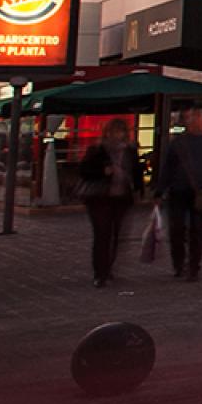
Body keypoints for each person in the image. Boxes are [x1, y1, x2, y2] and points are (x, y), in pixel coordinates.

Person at [158, 107, 202, 281]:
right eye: (190, 119)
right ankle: (179, 263)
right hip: (178, 191)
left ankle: (193, 266)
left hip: (200, 191)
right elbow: (168, 168)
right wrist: (159, 190)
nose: (193, 122)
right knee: (177, 229)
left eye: (196, 118)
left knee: (196, 229)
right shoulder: (178, 143)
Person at [76, 119, 142, 287]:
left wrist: (138, 190)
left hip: (121, 198)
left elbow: (136, 172)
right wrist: (102, 171)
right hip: (99, 197)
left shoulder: (129, 151)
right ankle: (100, 272)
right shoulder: (97, 150)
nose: (117, 135)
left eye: (120, 131)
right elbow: (84, 170)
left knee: (115, 235)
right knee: (102, 234)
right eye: (113, 131)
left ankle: (108, 267)